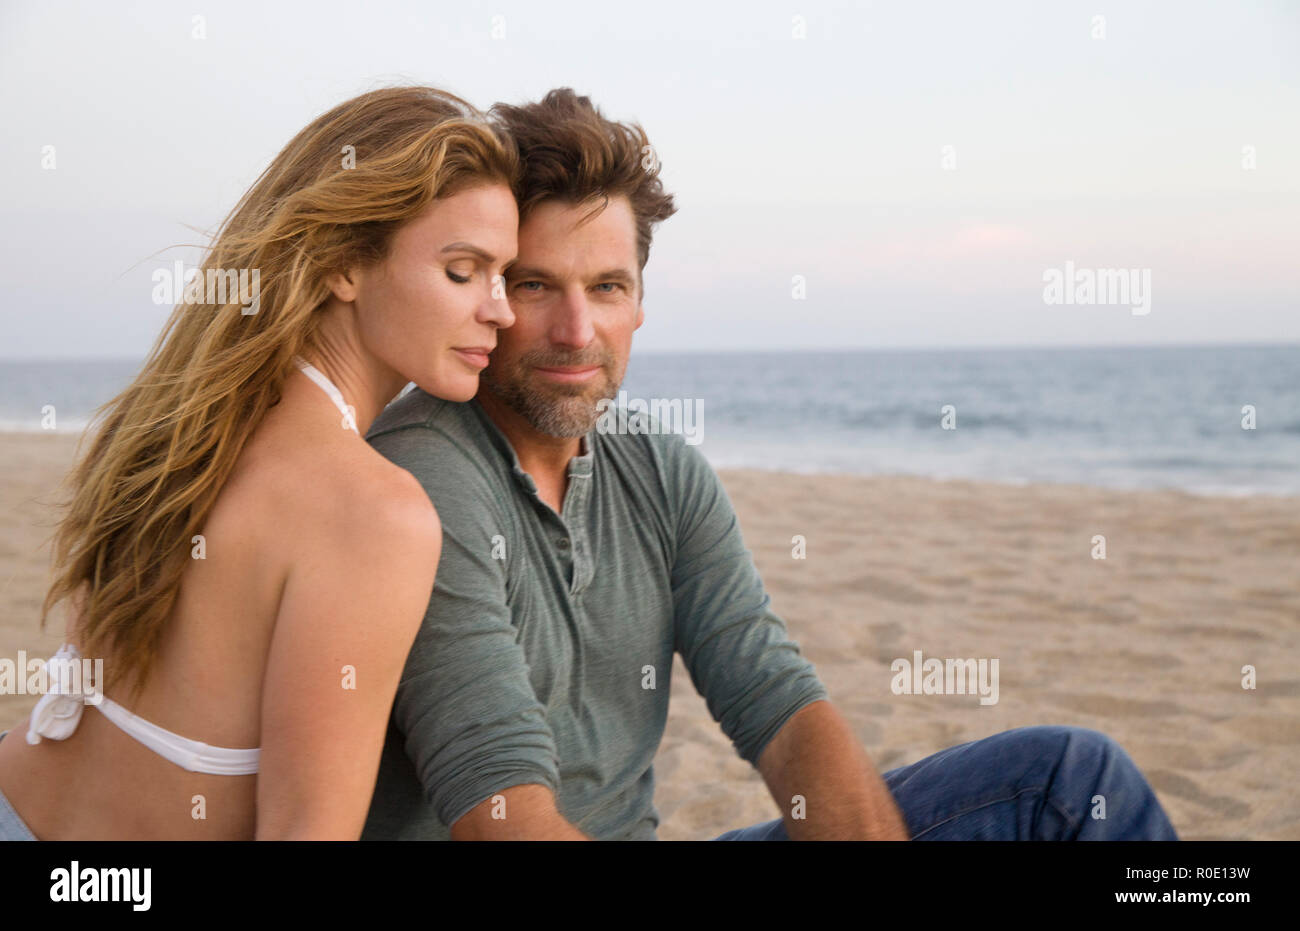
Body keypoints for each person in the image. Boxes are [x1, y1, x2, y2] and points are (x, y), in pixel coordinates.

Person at [358, 88, 1179, 841]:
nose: (578, 330)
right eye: (538, 285)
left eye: (607, 286)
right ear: (493, 293)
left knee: (1067, 782)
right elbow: (499, 803)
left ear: (640, 302)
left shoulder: (662, 473)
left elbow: (776, 700)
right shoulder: (422, 476)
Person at [0, 86, 519, 840]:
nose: (499, 309)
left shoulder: (182, 419)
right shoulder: (377, 512)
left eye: (505, 274)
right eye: (463, 270)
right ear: (345, 264)